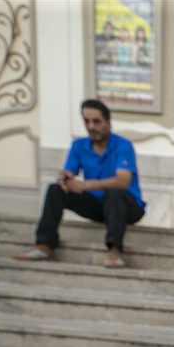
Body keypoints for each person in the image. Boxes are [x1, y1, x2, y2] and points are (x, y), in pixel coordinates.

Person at [15, 99, 145, 269]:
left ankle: (114, 250)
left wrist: (85, 185)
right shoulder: (78, 146)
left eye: (96, 121)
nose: (91, 126)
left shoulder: (123, 145)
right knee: (55, 190)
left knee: (113, 192)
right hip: (97, 207)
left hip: (128, 207)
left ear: (108, 123)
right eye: (87, 121)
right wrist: (65, 179)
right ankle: (44, 245)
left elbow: (123, 181)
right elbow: (69, 172)